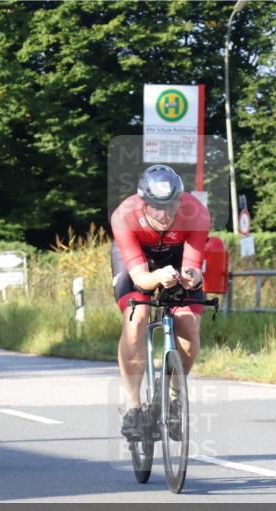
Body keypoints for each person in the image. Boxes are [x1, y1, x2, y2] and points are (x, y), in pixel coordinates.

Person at [110, 165, 210, 439]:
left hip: (176, 258)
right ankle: (133, 408)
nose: (165, 214)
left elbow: (193, 266)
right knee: (137, 319)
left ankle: (175, 396)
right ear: (144, 203)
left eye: (172, 205)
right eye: (156, 207)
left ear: (181, 200)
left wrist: (191, 277)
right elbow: (141, 279)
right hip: (137, 262)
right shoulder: (124, 215)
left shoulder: (197, 213)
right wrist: (157, 277)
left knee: (188, 326)